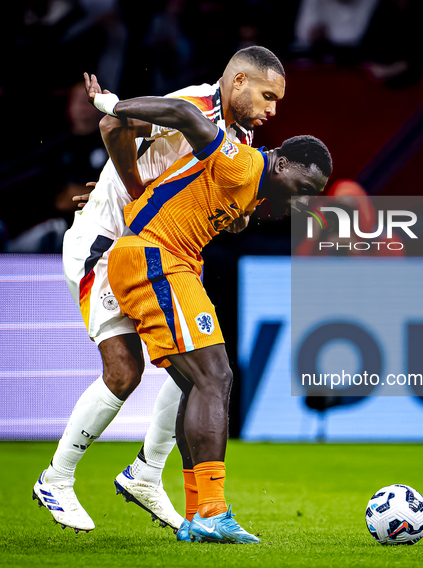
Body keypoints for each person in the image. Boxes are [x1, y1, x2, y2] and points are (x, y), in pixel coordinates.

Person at [33, 47, 286, 535]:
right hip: (108, 245)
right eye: (268, 94)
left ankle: (147, 473)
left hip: (160, 250)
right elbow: (112, 127)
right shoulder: (191, 105)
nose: (273, 108)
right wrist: (133, 195)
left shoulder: (243, 135)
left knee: (190, 364)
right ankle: (56, 478)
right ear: (237, 82)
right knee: (125, 371)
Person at [87, 74, 332, 543]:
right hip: (153, 256)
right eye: (305, 187)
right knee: (214, 377)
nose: (303, 199)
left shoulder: (256, 186)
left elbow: (204, 197)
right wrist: (112, 104)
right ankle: (210, 510)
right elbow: (184, 116)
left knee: (197, 381)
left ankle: (200, 512)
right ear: (282, 162)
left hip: (170, 260)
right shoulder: (244, 163)